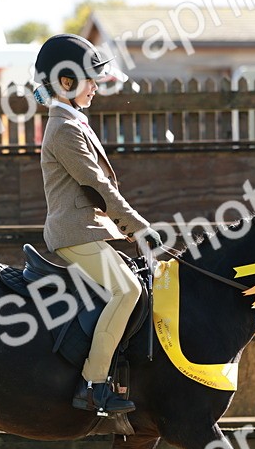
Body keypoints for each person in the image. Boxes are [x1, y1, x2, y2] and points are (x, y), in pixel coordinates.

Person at [34, 33, 162, 415]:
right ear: (66, 82)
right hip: (73, 232)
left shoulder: (74, 121)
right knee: (127, 291)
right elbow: (97, 186)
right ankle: (92, 385)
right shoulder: (64, 128)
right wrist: (138, 226)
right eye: (89, 79)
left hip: (88, 229)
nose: (95, 86)